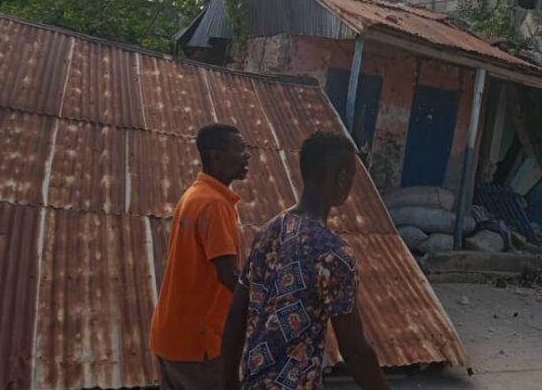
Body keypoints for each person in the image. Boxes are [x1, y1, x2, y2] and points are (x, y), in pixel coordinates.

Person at [221, 132, 388, 390]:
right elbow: (355, 349)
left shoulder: (267, 232)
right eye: (351, 176)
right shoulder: (334, 255)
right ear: (342, 177)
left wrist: (228, 383)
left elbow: (236, 314)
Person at [150, 123, 251, 390]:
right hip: (198, 344)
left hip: (170, 336)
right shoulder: (215, 204)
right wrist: (270, 302)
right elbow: (228, 275)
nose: (247, 155)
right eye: (240, 149)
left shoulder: (194, 195)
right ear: (216, 156)